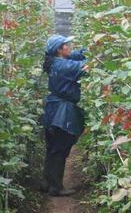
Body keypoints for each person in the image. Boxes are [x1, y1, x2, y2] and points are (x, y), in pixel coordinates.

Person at [40, 34, 88, 197]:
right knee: (60, 148)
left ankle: (47, 182)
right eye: (67, 45)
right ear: (59, 50)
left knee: (52, 147)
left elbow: (78, 55)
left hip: (52, 108)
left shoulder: (55, 61)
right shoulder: (63, 66)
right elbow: (88, 66)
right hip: (62, 111)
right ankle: (56, 188)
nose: (70, 46)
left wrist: (91, 48)